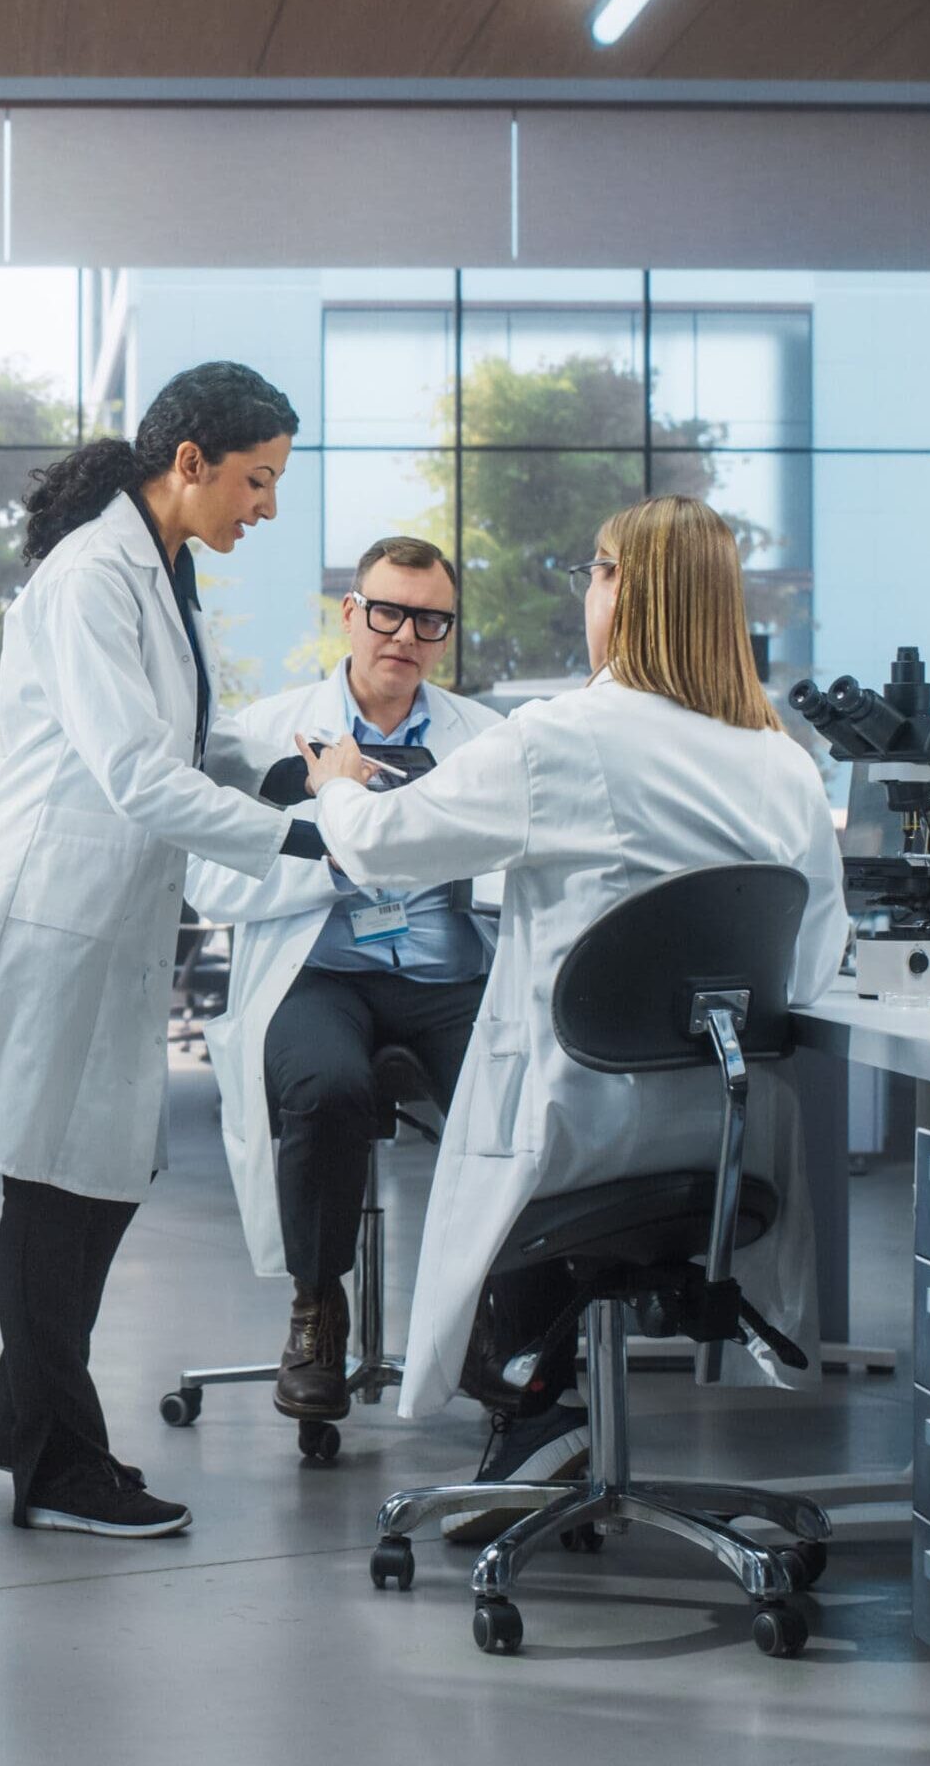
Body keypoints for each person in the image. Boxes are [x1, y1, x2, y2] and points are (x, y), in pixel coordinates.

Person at [293, 495, 844, 1501]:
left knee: (494, 1171)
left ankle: (533, 1407)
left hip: (580, 1133)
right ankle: (538, 1411)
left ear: (622, 592)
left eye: (595, 572)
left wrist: (335, 780)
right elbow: (812, 964)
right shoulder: (786, 766)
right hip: (726, 1144)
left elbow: (377, 845)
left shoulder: (559, 739)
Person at [0, 360, 321, 1538]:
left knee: (95, 1178)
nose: (266, 508)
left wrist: (292, 767)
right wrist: (303, 833)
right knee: (60, 1183)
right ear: (191, 463)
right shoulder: (94, 574)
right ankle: (55, 1463)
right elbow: (137, 774)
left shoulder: (160, 564)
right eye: (258, 481)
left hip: (102, 911)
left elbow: (176, 734)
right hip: (50, 912)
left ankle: (25, 1420)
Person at [182, 535, 502, 1421]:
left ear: (444, 633)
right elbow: (204, 878)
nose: (405, 634)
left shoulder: (487, 741)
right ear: (352, 614)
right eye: (388, 612)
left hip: (447, 973)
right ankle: (317, 1307)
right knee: (327, 1090)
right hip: (321, 973)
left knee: (514, 1091)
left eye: (429, 619)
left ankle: (495, 1316)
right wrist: (343, 841)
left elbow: (526, 861)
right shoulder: (263, 734)